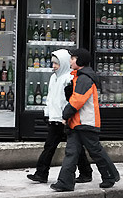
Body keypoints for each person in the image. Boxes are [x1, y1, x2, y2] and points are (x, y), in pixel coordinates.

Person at [50, 48, 120, 192]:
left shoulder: (84, 78)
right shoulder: (79, 76)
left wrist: (65, 114)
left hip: (86, 122)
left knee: (95, 151)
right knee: (72, 153)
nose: (70, 61)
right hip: (77, 123)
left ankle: (110, 176)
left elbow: (77, 101)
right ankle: (65, 182)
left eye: (73, 58)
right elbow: (76, 97)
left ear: (80, 61)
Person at [27, 49, 93, 184]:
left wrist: (67, 116)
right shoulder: (53, 77)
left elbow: (71, 100)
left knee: (74, 148)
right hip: (55, 118)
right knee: (50, 146)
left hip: (65, 119)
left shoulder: (69, 78)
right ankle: (41, 173)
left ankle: (85, 172)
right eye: (53, 63)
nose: (54, 66)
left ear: (63, 63)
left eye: (56, 63)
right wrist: (47, 113)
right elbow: (50, 98)